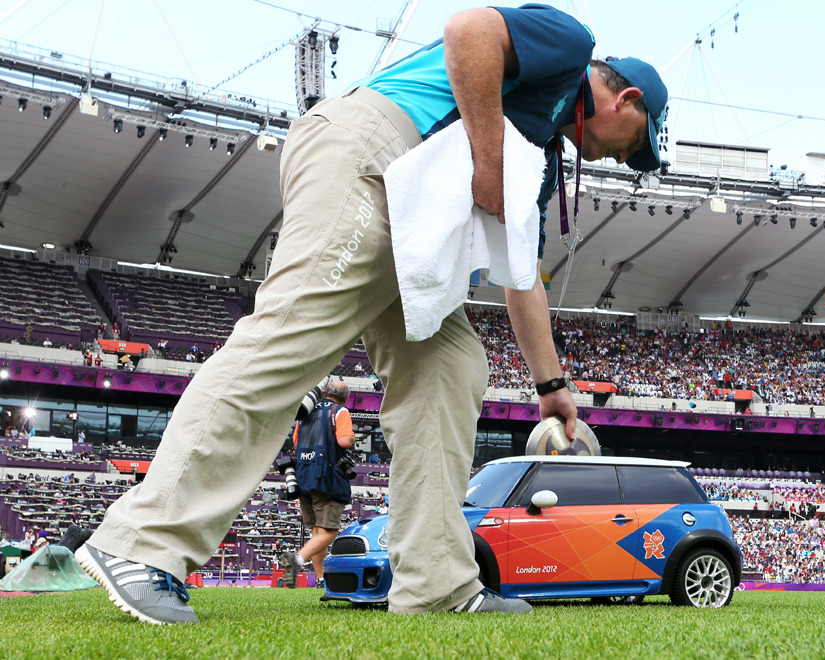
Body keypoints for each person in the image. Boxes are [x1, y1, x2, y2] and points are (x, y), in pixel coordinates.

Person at [74, 4, 667, 623]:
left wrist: (551, 386)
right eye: (638, 145)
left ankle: (437, 582)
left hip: (414, 208)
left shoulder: (539, 158)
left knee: (451, 363)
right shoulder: (571, 44)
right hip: (374, 148)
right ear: (624, 99)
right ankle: (145, 542)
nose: (628, 161)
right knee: (289, 339)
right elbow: (471, 31)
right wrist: (488, 161)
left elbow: (523, 278)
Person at [279, 379, 355, 590]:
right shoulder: (340, 411)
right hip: (327, 478)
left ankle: (321, 579)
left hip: (302, 478)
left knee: (318, 532)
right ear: (345, 397)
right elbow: (344, 441)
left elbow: (295, 443)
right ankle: (297, 560)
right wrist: (353, 437)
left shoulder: (305, 414)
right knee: (329, 531)